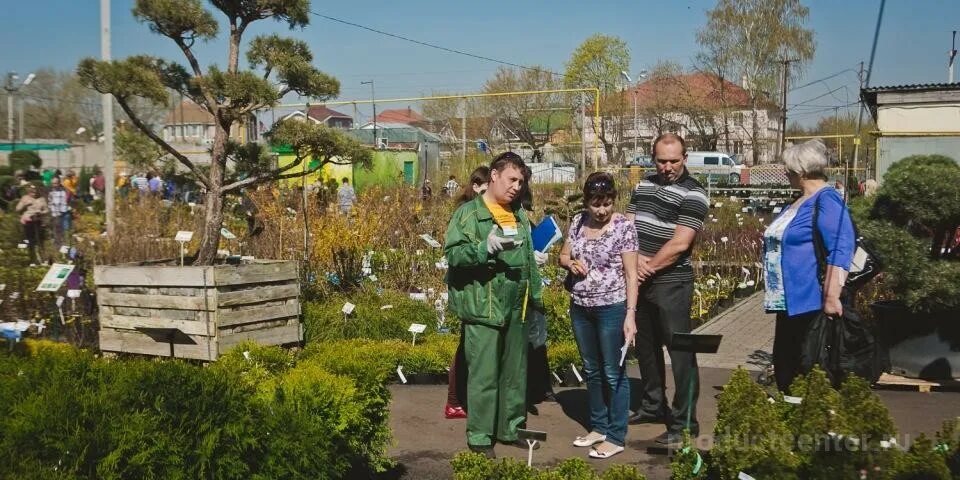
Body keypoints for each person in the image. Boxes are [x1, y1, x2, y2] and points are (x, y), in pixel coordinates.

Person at [444, 152, 543, 458]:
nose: (516, 187)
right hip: (483, 304)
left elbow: (526, 257)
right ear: (494, 176)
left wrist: (536, 283)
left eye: (521, 182)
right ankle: (480, 436)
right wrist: (481, 248)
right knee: (484, 374)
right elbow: (454, 255)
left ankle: (510, 428)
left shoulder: (519, 213)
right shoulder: (469, 214)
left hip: (517, 305)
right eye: (512, 179)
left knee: (514, 371)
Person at [625, 132, 709, 447]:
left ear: (684, 158)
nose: (668, 167)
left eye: (674, 161)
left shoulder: (694, 192)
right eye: (661, 161)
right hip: (641, 280)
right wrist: (632, 264)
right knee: (645, 348)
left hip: (671, 281)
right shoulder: (644, 184)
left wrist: (645, 267)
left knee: (681, 352)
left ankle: (685, 422)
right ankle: (652, 405)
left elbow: (680, 243)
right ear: (653, 158)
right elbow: (629, 225)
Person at [762, 139, 855, 392]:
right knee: (786, 366)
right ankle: (790, 417)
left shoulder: (826, 200)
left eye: (788, 168)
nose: (785, 173)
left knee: (803, 368)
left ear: (801, 171)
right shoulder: (800, 201)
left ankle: (808, 421)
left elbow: (841, 246)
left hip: (810, 301)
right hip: (789, 302)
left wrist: (832, 295)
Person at [559, 171, 639, 459]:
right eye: (596, 203)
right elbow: (563, 255)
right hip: (580, 305)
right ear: (587, 202)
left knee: (612, 370)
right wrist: (571, 264)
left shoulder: (623, 228)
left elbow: (631, 274)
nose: (602, 210)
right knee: (591, 369)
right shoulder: (578, 222)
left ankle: (616, 435)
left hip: (612, 307)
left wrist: (630, 314)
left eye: (607, 203)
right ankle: (599, 425)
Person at [445, 166, 491, 420]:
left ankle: (459, 399)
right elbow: (456, 253)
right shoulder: (465, 213)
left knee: (470, 346)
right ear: (476, 187)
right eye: (485, 189)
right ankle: (454, 399)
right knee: (467, 346)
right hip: (468, 290)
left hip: (481, 290)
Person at [15, 184, 49, 260]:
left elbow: (47, 210)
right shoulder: (25, 198)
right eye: (32, 192)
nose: (34, 193)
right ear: (28, 192)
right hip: (28, 221)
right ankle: (32, 258)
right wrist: (24, 205)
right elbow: (17, 209)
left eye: (35, 192)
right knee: (31, 241)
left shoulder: (41, 199)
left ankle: (42, 258)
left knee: (40, 240)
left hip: (38, 221)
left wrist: (41, 212)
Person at [47, 176, 72, 247]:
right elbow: (50, 204)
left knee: (66, 233)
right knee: (57, 234)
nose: (54, 185)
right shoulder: (51, 193)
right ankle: (58, 250)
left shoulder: (65, 191)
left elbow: (69, 201)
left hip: (65, 215)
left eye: (56, 183)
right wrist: (52, 215)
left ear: (59, 183)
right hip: (56, 216)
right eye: (53, 183)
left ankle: (67, 249)